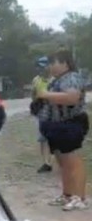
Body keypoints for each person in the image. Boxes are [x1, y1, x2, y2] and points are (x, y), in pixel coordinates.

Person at [34, 50, 89, 211]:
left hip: (70, 123)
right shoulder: (56, 80)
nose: (50, 66)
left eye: (53, 63)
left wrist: (45, 94)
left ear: (64, 63)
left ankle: (80, 197)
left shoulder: (72, 77)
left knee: (73, 161)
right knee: (63, 162)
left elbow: (71, 98)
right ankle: (68, 195)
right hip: (56, 125)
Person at [31, 57, 54, 173]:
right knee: (43, 138)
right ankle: (46, 163)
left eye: (43, 66)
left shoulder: (55, 80)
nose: (41, 69)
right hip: (42, 111)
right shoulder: (36, 80)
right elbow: (33, 95)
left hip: (55, 112)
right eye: (39, 67)